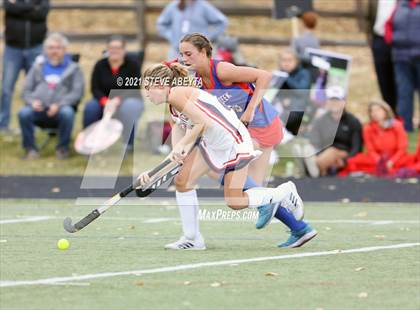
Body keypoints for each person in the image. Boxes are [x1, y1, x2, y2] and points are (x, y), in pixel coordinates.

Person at [171, 33, 316, 249]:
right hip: (239, 131)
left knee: (229, 179)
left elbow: (264, 76)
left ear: (203, 52)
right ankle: (300, 228)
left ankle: (286, 196)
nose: (184, 58)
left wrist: (249, 110)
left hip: (261, 126)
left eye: (189, 53)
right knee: (253, 192)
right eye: (181, 54)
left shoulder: (222, 70)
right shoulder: (197, 82)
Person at [138, 62, 305, 249]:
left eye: (148, 87)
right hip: (216, 146)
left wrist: (184, 146)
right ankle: (192, 239)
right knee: (184, 182)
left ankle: (283, 193)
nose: (146, 93)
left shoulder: (176, 94)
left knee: (234, 201)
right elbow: (177, 154)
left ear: (161, 85)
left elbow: (203, 123)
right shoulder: (173, 106)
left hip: (234, 142)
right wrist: (152, 173)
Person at [18, 33, 84, 160]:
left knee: (68, 113)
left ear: (64, 50)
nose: (54, 51)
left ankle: (62, 149)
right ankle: (30, 149)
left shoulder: (74, 69)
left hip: (60, 110)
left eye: (58, 48)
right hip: (38, 110)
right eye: (51, 48)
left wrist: (59, 105)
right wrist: (32, 102)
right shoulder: (37, 67)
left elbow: (77, 93)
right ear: (46, 50)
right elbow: (25, 91)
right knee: (23, 113)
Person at [82, 35, 144, 151]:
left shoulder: (133, 65)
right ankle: (90, 143)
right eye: (111, 47)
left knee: (129, 107)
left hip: (128, 99)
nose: (114, 50)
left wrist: (117, 100)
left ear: (124, 50)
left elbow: (134, 87)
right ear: (107, 49)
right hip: (104, 100)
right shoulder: (100, 65)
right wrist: (105, 101)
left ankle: (128, 144)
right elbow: (95, 88)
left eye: (118, 47)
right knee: (90, 107)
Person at [0, 0, 50, 133]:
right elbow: (9, 8)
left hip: (35, 48)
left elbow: (41, 13)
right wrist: (31, 8)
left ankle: (33, 123)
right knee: (6, 88)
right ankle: (3, 124)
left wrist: (19, 8)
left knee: (36, 87)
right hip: (12, 49)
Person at [298, 87, 363, 177]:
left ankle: (313, 167)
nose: (334, 104)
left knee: (332, 151)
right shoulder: (321, 120)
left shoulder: (352, 121)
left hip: (344, 153)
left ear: (344, 102)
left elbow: (357, 147)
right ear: (327, 102)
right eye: (331, 100)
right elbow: (315, 142)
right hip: (323, 153)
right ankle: (315, 167)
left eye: (337, 100)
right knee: (313, 148)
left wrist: (345, 160)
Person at [342, 100, 411, 176]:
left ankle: (385, 169)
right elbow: (370, 150)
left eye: (378, 110)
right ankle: (379, 169)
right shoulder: (368, 128)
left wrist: (392, 161)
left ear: (385, 111)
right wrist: (380, 161)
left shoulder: (397, 125)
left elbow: (402, 148)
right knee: (353, 161)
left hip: (395, 158)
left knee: (410, 162)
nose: (375, 113)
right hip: (377, 158)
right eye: (372, 111)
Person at [385, 0, 420, 132]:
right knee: (404, 92)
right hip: (401, 57)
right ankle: (405, 127)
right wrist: (391, 39)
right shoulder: (400, 4)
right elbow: (388, 25)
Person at [156, 0, 227, 59]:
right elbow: (161, 24)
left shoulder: (203, 6)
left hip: (197, 53)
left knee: (196, 75)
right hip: (176, 52)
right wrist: (172, 37)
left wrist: (206, 37)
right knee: (175, 74)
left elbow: (222, 22)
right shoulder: (174, 6)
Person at [367, 0, 398, 114]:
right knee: (382, 78)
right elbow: (369, 19)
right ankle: (389, 111)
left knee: (397, 78)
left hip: (396, 41)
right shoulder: (374, 2)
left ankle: (400, 114)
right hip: (379, 40)